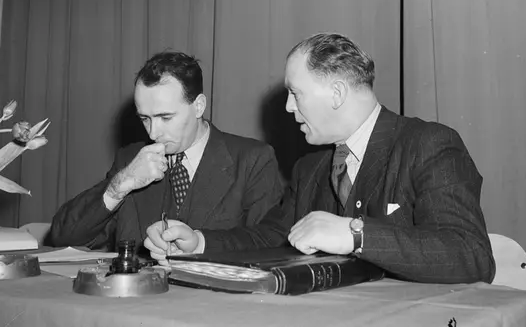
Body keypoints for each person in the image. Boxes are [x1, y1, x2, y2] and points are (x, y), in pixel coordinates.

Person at [145, 33, 495, 284]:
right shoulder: (310, 169)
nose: (288, 107)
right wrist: (199, 242)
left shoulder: (427, 144)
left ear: (337, 93)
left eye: (296, 94)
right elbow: (272, 237)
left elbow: (471, 254)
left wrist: (357, 235)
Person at [48, 51, 285, 253]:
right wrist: (119, 186)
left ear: (198, 106)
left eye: (166, 117)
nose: (153, 133)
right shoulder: (131, 160)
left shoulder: (252, 159)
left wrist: (201, 243)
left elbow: (271, 241)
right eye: (145, 119)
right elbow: (63, 237)